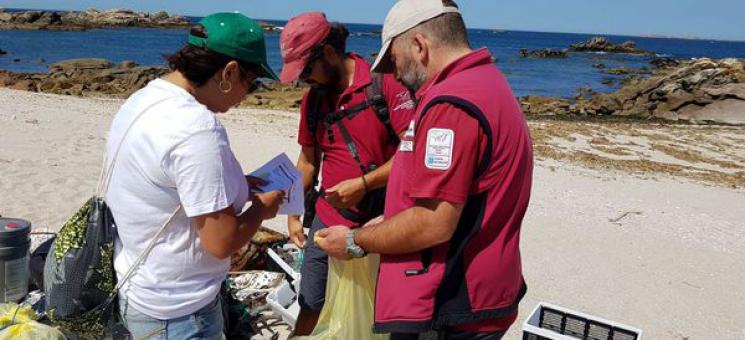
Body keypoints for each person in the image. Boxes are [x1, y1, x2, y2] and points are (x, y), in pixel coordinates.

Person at [316, 1, 534, 339]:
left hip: (453, 303)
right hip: (487, 289)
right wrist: (388, 221)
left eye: (395, 60)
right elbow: (456, 195)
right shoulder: (488, 82)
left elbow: (433, 223)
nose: (396, 74)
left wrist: (356, 241)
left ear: (419, 45)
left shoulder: (450, 104)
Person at [105, 13, 283, 339]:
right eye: (251, 82)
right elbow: (222, 242)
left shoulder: (143, 99)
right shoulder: (197, 127)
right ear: (229, 72)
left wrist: (236, 182)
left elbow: (165, 181)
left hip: (139, 288)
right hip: (180, 312)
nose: (246, 95)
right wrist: (262, 208)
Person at [278, 12, 416, 335]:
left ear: (327, 53)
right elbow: (308, 161)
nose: (303, 80)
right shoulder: (312, 101)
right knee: (311, 301)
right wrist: (291, 211)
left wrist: (365, 183)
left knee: (379, 309)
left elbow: (413, 155)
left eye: (305, 70)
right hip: (327, 220)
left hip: (381, 222)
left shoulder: (385, 84)